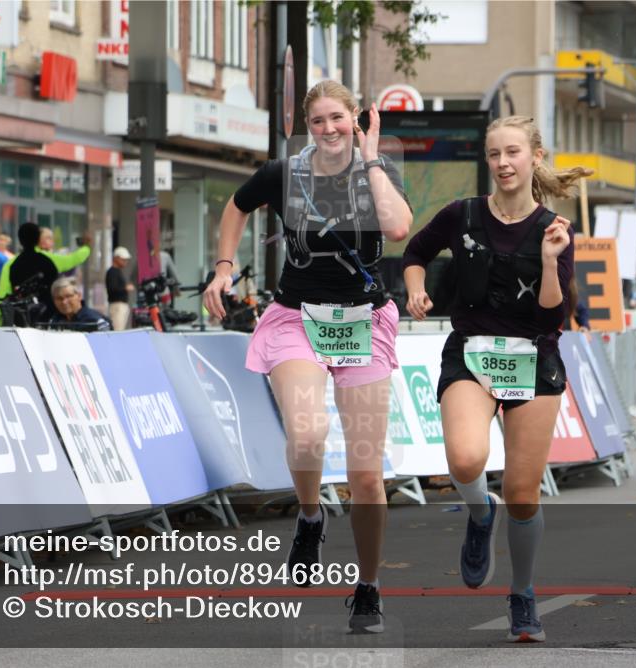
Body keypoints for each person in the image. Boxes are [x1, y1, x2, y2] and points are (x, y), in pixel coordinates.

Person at [202, 80, 412, 634]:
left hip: (364, 322)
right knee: (307, 433)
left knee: (366, 475)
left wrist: (371, 160)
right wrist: (224, 268)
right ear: (306, 126)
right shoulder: (285, 173)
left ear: (355, 119)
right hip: (297, 317)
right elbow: (236, 207)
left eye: (338, 118)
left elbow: (396, 227)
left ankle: (368, 587)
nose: (328, 129)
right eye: (318, 121)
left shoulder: (377, 172)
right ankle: (311, 515)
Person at [403, 115, 585, 644]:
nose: (503, 163)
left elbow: (552, 316)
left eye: (512, 153)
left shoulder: (555, 229)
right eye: (494, 154)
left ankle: (522, 594)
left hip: (534, 357)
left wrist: (549, 262)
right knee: (465, 460)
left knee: (523, 495)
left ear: (534, 157)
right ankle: (480, 513)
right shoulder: (461, 215)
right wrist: (415, 288)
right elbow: (415, 253)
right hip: (472, 353)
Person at [0, 223, 92, 309]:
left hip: (21, 314)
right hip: (46, 313)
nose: (53, 241)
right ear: (39, 239)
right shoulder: (49, 259)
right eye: (48, 238)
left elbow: (3, 294)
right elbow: (72, 259)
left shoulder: (10, 264)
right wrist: (87, 247)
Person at [106, 247, 134, 331]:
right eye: (123, 259)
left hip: (121, 305)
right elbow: (112, 288)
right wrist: (125, 288)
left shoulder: (117, 271)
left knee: (120, 330)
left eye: (126, 260)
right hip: (117, 306)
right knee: (117, 331)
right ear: (116, 258)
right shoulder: (112, 271)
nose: (125, 262)